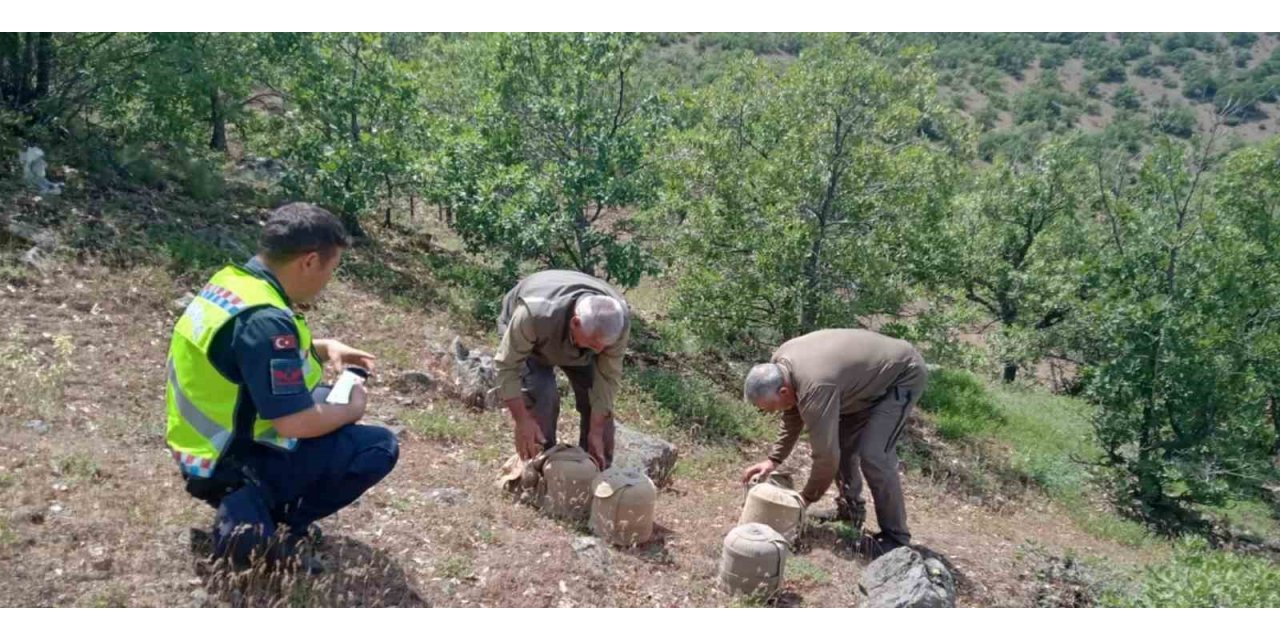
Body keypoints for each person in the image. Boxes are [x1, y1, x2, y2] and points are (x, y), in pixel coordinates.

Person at [165, 202, 398, 570]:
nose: (329, 280)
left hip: (201, 443)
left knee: (326, 400)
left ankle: (254, 508)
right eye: (332, 268)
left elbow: (245, 356)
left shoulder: (234, 285)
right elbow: (293, 422)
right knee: (378, 446)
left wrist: (326, 348)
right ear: (309, 261)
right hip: (230, 459)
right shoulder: (266, 321)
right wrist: (352, 408)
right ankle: (272, 521)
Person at [740, 329, 928, 554]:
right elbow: (792, 412)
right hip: (860, 383)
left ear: (783, 390)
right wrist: (774, 460)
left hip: (901, 374)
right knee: (844, 446)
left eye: (771, 408)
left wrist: (804, 499)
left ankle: (895, 538)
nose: (772, 412)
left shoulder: (816, 386)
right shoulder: (780, 365)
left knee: (875, 455)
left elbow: (826, 457)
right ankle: (850, 512)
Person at [493, 270, 629, 470]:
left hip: (578, 343)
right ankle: (537, 471)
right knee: (542, 398)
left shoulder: (617, 321)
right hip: (534, 342)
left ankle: (595, 472)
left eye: (604, 346)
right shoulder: (533, 314)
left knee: (600, 413)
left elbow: (607, 379)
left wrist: (596, 430)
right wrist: (522, 421)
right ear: (576, 322)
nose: (600, 350)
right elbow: (508, 366)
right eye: (594, 343)